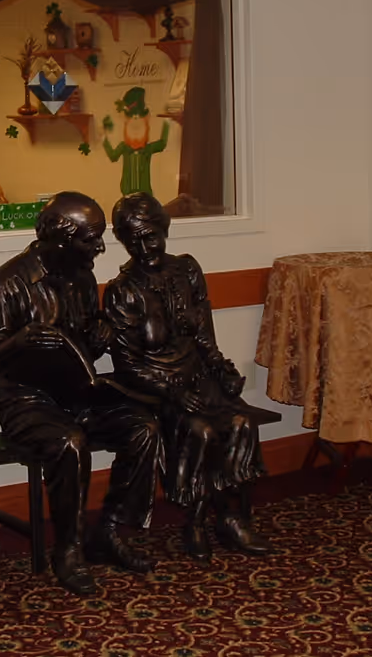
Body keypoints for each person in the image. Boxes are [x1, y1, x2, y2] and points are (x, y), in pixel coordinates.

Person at [0, 192, 161, 596]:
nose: (99, 247)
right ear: (60, 239)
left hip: (77, 394)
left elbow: (83, 351)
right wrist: (20, 341)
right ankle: (68, 549)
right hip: (27, 403)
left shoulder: (81, 277)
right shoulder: (8, 283)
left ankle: (107, 532)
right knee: (70, 443)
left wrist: (100, 337)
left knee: (143, 428)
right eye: (91, 238)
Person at [103, 191, 272, 561]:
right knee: (201, 432)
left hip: (199, 379)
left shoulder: (187, 270)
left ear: (165, 229)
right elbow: (127, 364)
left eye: (151, 235)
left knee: (242, 423)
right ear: (122, 240)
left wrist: (223, 369)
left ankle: (231, 518)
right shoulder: (122, 292)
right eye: (133, 239)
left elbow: (204, 337)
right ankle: (195, 521)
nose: (145, 246)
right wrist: (171, 393)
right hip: (156, 390)